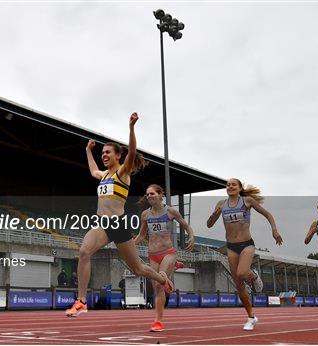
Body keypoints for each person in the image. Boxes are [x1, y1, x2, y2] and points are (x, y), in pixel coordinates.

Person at [65, 112, 174, 317]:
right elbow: (92, 171)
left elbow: (132, 152)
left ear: (117, 156)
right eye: (102, 153)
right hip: (103, 225)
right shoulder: (104, 175)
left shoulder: (122, 173)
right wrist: (88, 151)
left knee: (138, 270)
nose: (104, 155)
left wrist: (131, 128)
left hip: (119, 225)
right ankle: (81, 301)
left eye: (108, 153)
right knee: (84, 252)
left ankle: (161, 279)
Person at [207, 178, 282, 331]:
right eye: (228, 185)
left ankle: (253, 276)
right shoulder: (221, 204)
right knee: (239, 284)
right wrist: (214, 214)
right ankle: (251, 317)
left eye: (233, 184)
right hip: (231, 246)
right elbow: (209, 224)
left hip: (246, 244)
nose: (230, 186)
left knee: (242, 273)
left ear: (240, 188)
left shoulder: (247, 201)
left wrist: (274, 230)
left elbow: (267, 214)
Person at [134, 184, 195, 332]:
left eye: (152, 194)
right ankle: (157, 321)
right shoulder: (145, 215)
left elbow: (185, 225)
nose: (149, 196)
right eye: (147, 194)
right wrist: (129, 245)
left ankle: (158, 321)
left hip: (168, 252)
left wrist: (191, 236)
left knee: (161, 280)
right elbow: (142, 235)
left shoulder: (170, 211)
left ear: (161, 195)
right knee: (157, 288)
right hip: (153, 255)